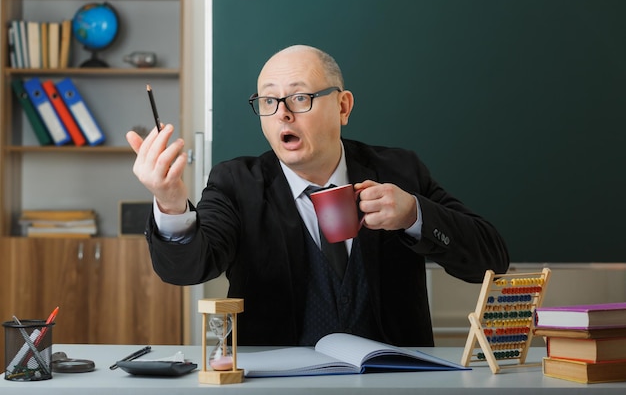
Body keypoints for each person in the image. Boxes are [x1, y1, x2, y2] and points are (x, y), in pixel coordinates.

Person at [126, 44, 509, 347]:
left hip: (393, 380)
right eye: (268, 102)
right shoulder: (235, 182)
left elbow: (490, 260)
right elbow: (189, 268)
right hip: (278, 384)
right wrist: (171, 202)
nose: (282, 115)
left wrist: (414, 215)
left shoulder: (399, 171)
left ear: (343, 107)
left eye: (299, 98)